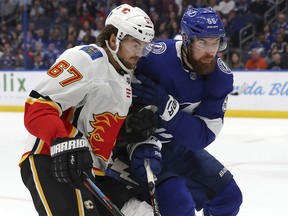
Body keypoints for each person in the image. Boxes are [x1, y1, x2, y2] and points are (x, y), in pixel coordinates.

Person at [19, 4, 157, 216]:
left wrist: (129, 129)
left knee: (142, 212)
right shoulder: (86, 59)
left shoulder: (125, 79)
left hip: (92, 171)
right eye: (134, 44)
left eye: (143, 46)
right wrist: (62, 141)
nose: (140, 53)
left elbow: (95, 129)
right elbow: (37, 109)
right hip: (54, 161)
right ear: (113, 39)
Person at [107, 7, 243, 216]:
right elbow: (117, 100)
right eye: (202, 42)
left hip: (177, 149)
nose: (210, 51)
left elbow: (203, 136)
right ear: (186, 39)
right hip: (139, 147)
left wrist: (167, 108)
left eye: (215, 42)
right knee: (179, 206)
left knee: (228, 197)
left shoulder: (220, 78)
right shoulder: (153, 58)